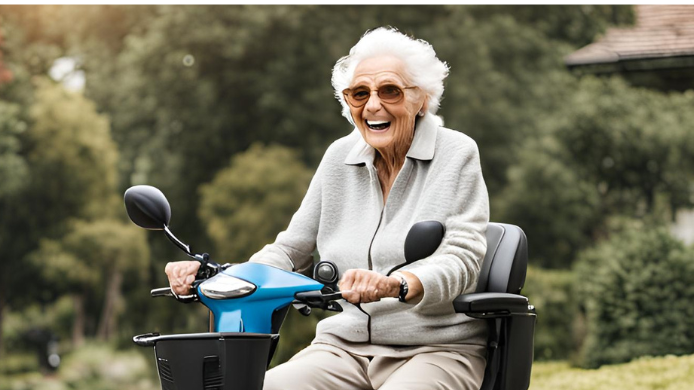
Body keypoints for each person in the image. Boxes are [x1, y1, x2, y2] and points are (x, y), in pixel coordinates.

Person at [164, 27, 490, 390]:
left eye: (390, 91)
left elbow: (461, 258)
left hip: (435, 349)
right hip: (342, 349)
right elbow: (289, 252)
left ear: (422, 99)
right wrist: (217, 277)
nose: (373, 106)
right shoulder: (338, 158)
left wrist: (396, 284)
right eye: (359, 94)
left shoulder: (456, 153)